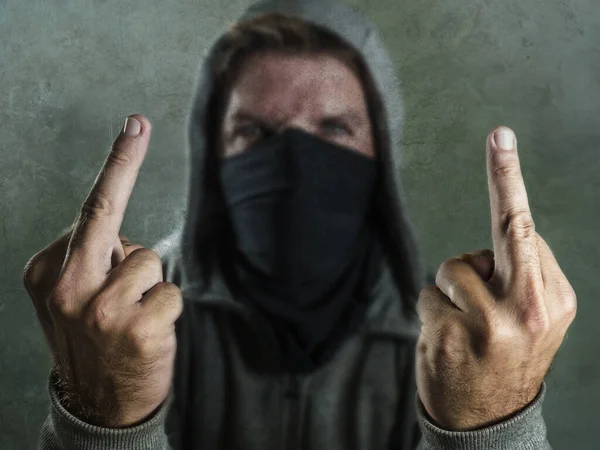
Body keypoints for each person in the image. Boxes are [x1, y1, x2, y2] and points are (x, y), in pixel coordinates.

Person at [24, 0, 576, 449]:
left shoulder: (460, 341)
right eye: (257, 134)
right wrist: (100, 422)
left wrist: (493, 425)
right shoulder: (108, 321)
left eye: (333, 130)